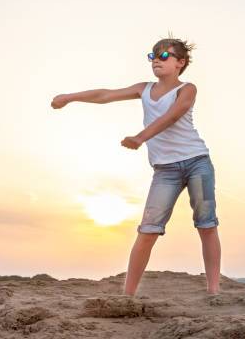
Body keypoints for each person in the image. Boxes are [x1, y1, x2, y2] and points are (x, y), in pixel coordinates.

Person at [50, 35, 221, 296]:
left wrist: (141, 138)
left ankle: (213, 291)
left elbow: (172, 116)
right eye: (153, 56)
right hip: (166, 170)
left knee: (206, 224)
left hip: (197, 162)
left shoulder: (187, 89)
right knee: (148, 230)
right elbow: (105, 95)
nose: (156, 61)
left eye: (164, 56)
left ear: (180, 62)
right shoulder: (144, 89)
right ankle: (127, 295)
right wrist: (70, 96)